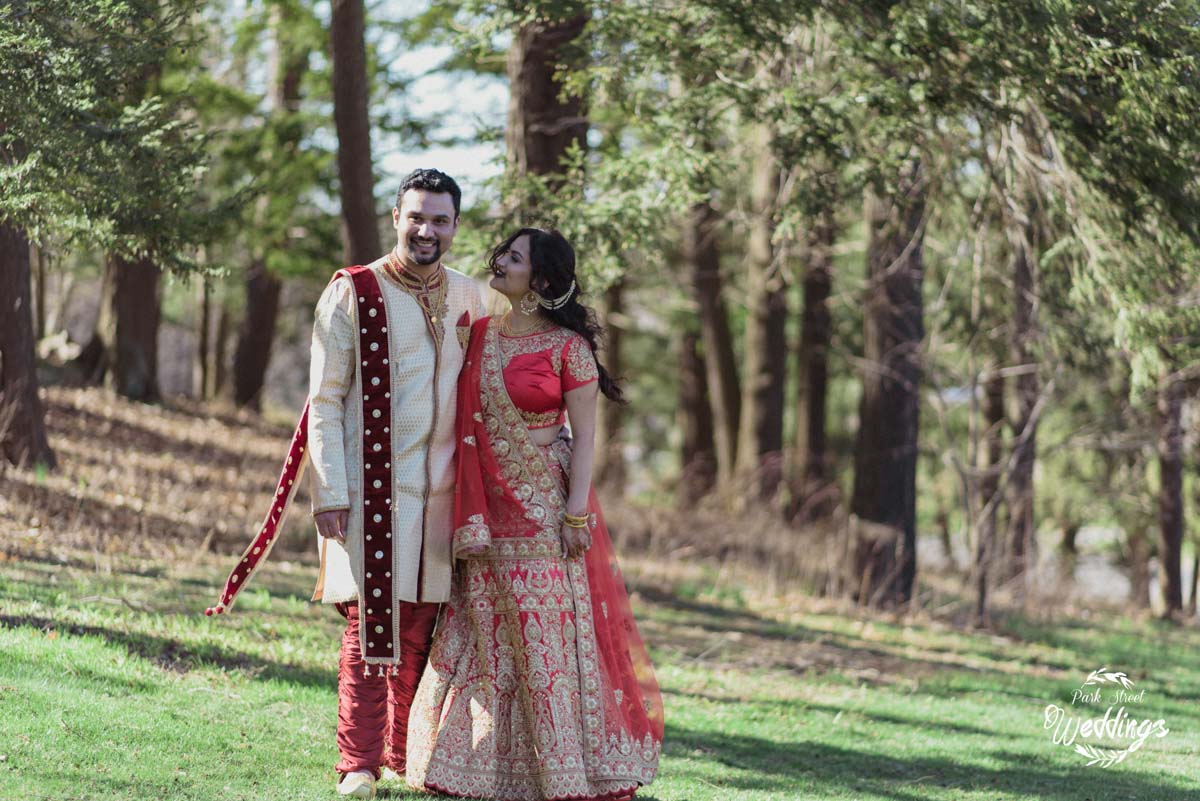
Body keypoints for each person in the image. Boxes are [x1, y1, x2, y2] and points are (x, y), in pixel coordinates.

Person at [206, 168, 484, 800]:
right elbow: (325, 399)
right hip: (369, 491)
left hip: (442, 494)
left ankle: (407, 755)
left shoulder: (471, 296)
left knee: (420, 628)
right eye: (417, 217)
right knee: (369, 626)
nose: (427, 230)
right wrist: (329, 488)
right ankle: (357, 764)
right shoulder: (354, 292)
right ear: (396, 218)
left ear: (455, 226)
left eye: (440, 220)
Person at [405, 228, 664, 801]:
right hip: (482, 512)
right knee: (486, 634)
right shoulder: (478, 336)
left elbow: (587, 439)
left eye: (514, 258)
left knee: (543, 639)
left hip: (544, 509)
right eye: (503, 253)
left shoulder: (568, 349)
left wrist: (576, 517)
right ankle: (476, 769)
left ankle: (563, 771)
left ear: (541, 280)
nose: (499, 262)